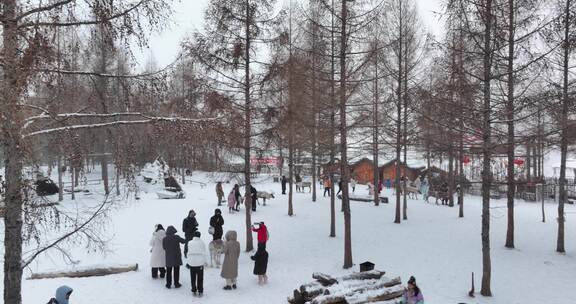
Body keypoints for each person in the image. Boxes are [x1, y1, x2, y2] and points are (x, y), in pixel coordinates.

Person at [186, 231, 207, 297]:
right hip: (200, 263)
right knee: (200, 278)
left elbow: (188, 251)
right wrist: (204, 261)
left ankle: (194, 290)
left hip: (192, 263)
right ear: (199, 236)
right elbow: (204, 253)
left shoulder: (189, 242)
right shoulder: (202, 243)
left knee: (193, 277)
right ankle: (200, 291)